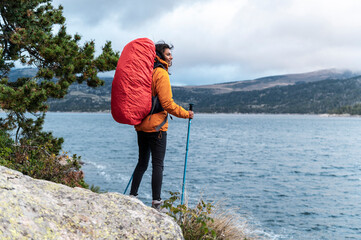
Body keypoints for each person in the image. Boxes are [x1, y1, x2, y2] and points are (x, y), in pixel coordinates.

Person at [129, 41, 194, 210]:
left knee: (142, 162)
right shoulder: (160, 73)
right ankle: (156, 202)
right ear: (159, 56)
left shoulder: (144, 72)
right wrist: (186, 114)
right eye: (168, 54)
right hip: (157, 127)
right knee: (158, 164)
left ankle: (132, 195)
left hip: (140, 124)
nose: (171, 57)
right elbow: (167, 104)